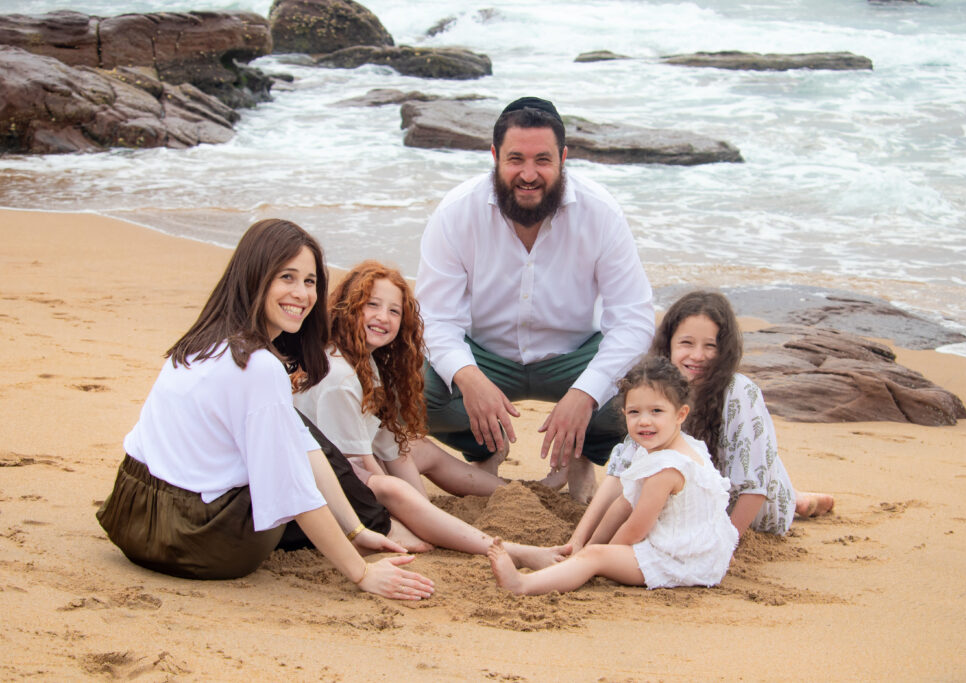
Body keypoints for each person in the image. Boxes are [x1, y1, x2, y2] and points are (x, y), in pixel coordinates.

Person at [96, 219, 434, 601]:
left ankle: (366, 524)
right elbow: (293, 490)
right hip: (197, 544)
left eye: (310, 282)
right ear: (255, 276)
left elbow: (302, 447)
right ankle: (375, 526)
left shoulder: (202, 340)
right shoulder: (259, 367)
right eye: (287, 277)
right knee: (290, 436)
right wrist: (360, 574)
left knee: (292, 424)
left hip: (134, 517)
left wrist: (355, 529)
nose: (303, 294)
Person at [416, 96, 655, 502]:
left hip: (573, 354)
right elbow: (434, 319)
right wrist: (470, 379)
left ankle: (582, 455)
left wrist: (585, 394)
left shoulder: (601, 213)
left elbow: (633, 321)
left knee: (646, 391)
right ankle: (486, 446)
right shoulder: (456, 212)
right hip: (485, 357)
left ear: (563, 158)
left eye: (542, 160)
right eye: (515, 159)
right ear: (494, 157)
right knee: (408, 391)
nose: (529, 174)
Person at [293, 260, 569, 570]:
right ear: (348, 308)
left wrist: (422, 508)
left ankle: (518, 491)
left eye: (394, 311)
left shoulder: (366, 363)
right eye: (371, 305)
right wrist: (402, 515)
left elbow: (387, 444)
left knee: (415, 446)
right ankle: (512, 551)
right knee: (393, 489)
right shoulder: (341, 378)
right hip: (325, 485)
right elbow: (355, 466)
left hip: (349, 465)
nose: (383, 317)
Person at [569, 291, 834, 547]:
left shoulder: (739, 392)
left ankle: (797, 499)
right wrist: (577, 540)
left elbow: (755, 485)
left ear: (725, 349)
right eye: (686, 343)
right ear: (669, 345)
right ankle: (799, 496)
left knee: (782, 495)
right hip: (691, 505)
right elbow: (619, 474)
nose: (697, 355)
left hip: (751, 509)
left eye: (710, 346)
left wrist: (727, 544)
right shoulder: (658, 390)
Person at [487, 355, 738, 595]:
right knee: (591, 551)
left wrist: (602, 555)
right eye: (634, 412)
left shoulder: (667, 468)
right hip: (691, 547)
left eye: (656, 411)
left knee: (594, 558)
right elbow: (623, 503)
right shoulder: (667, 446)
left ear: (680, 414)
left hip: (680, 561)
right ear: (624, 413)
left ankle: (521, 584)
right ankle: (579, 559)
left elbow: (635, 529)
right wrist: (587, 544)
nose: (644, 422)